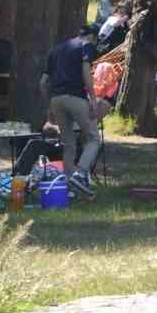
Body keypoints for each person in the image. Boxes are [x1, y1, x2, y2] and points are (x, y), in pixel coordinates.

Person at [39, 27, 101, 198]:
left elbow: (43, 82)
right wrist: (94, 100)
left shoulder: (55, 50)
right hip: (76, 97)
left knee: (68, 143)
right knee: (94, 138)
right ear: (91, 37)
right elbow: (86, 75)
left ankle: (68, 187)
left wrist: (49, 106)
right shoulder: (85, 46)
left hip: (56, 99)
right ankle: (79, 174)